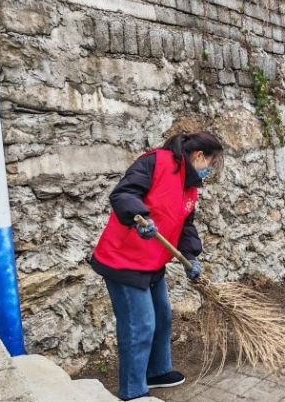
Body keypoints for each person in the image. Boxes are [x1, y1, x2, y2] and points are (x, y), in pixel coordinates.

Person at [91, 132, 224, 401]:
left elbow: (185, 225)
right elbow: (124, 193)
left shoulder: (190, 187)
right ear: (198, 156)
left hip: (152, 262)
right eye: (210, 163)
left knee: (162, 316)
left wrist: (191, 257)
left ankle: (156, 371)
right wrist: (139, 216)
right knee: (140, 325)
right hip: (123, 259)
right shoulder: (156, 162)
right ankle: (133, 390)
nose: (209, 170)